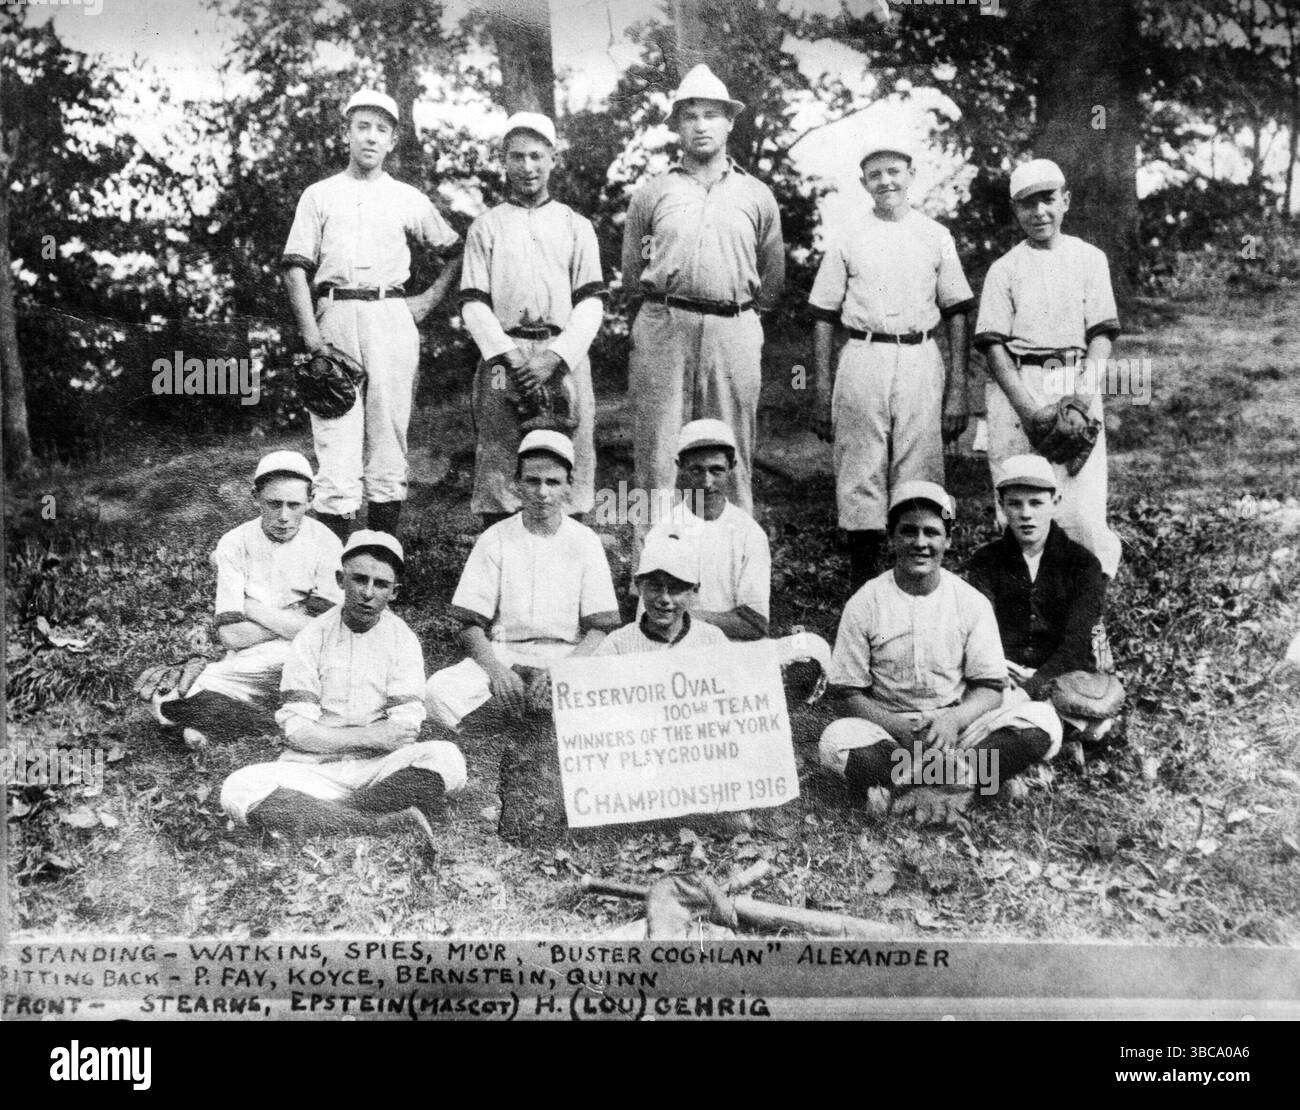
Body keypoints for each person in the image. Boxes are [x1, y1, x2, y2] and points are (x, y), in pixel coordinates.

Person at [818, 481, 1062, 826]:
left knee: (1043, 722)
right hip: (893, 733)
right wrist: (895, 725)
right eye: (908, 532)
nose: (920, 542)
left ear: (947, 539)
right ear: (891, 538)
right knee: (835, 743)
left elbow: (990, 688)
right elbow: (846, 693)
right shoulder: (865, 602)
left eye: (931, 532)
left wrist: (953, 720)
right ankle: (972, 782)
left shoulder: (969, 602)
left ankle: (921, 785)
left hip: (958, 729)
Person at [281, 89, 462, 542]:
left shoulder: (406, 197)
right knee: (336, 448)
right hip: (335, 315)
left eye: (381, 129)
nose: (371, 137)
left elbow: (457, 251)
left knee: (388, 443)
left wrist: (428, 300)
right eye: (362, 126)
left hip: (390, 315)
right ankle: (330, 572)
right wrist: (313, 340)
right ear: (346, 132)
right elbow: (294, 270)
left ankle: (381, 565)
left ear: (393, 140)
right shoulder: (319, 195)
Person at [220, 530, 466, 847]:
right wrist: (370, 736)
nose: (368, 592)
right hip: (316, 769)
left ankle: (324, 817)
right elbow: (297, 732)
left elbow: (404, 730)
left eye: (381, 584)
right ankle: (381, 821)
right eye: (359, 579)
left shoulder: (402, 640)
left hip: (379, 768)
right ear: (340, 579)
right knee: (238, 789)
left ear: (395, 591)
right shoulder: (311, 637)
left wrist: (372, 740)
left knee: (447, 759)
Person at [808, 134, 976, 591]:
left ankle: (916, 578)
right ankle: (864, 584)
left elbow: (958, 310)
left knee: (919, 467)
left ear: (910, 175)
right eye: (875, 174)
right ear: (864, 182)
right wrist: (821, 394)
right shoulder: (848, 236)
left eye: (894, 171)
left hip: (921, 355)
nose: (886, 181)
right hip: (863, 354)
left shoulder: (935, 236)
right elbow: (823, 315)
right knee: (861, 469)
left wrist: (958, 388)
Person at [620, 64, 785, 518]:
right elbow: (633, 273)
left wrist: (736, 315)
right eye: (690, 116)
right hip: (664, 326)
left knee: (729, 450)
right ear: (676, 125)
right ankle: (653, 575)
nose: (701, 125)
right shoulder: (653, 193)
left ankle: (731, 571)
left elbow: (772, 277)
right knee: (658, 455)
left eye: (712, 115)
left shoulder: (756, 194)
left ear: (730, 122)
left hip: (734, 327)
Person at [974, 157, 1123, 577]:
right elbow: (994, 347)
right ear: (1015, 210)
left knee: (1082, 505)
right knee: (1020, 497)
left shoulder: (1089, 258)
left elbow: (1101, 335)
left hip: (1074, 377)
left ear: (1066, 201)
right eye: (1027, 204)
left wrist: (1079, 400)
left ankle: (1087, 610)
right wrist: (1030, 412)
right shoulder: (1004, 269)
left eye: (1048, 200)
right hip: (1018, 385)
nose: (1039, 212)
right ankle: (1023, 610)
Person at [460, 112, 605, 529]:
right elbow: (472, 302)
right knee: (501, 453)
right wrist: (508, 356)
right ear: (503, 161)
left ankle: (569, 563)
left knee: (569, 450)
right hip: (503, 360)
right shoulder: (486, 227)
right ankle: (499, 561)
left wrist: (555, 357)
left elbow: (592, 301)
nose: (528, 167)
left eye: (537, 156)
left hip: (564, 354)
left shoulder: (576, 226)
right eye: (518, 157)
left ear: (553, 159)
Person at [425, 431, 622, 729]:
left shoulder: (585, 541)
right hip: (505, 652)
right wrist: (495, 670)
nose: (542, 492)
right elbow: (468, 625)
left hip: (564, 654)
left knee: (614, 693)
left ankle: (520, 721)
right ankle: (524, 721)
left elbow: (600, 628)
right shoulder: (496, 538)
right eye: (533, 481)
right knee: (439, 691)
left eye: (553, 482)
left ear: (569, 486)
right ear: (517, 484)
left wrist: (564, 671)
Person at [149, 451, 342, 749]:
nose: (283, 516)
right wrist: (294, 616)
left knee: (332, 669)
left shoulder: (326, 541)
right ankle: (269, 717)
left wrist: (250, 607)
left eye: (295, 505)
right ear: (256, 497)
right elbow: (230, 635)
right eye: (273, 503)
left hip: (308, 655)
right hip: (252, 659)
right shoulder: (234, 543)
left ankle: (227, 721)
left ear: (311, 499)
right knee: (167, 694)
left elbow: (324, 629)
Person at [965, 454, 1116, 741]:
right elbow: (980, 634)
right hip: (1002, 675)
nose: (1026, 514)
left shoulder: (1083, 564)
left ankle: (1027, 732)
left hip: (1060, 675)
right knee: (972, 704)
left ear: (1055, 503)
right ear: (1001, 505)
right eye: (1015, 503)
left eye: (1036, 503)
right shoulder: (985, 561)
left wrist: (1029, 690)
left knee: (1096, 723)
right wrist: (1000, 680)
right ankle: (1029, 738)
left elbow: (1077, 644)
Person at [634, 419, 770, 640]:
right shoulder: (662, 531)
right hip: (674, 650)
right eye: (696, 470)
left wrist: (680, 617)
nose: (707, 482)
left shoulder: (749, 534)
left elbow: (754, 624)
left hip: (732, 650)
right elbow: (650, 620)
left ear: (732, 467)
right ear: (679, 467)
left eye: (716, 470)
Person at [598, 532, 729, 655]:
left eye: (675, 589)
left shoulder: (712, 640)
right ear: (639, 585)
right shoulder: (617, 644)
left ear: (694, 591)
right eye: (655, 587)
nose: (664, 598)